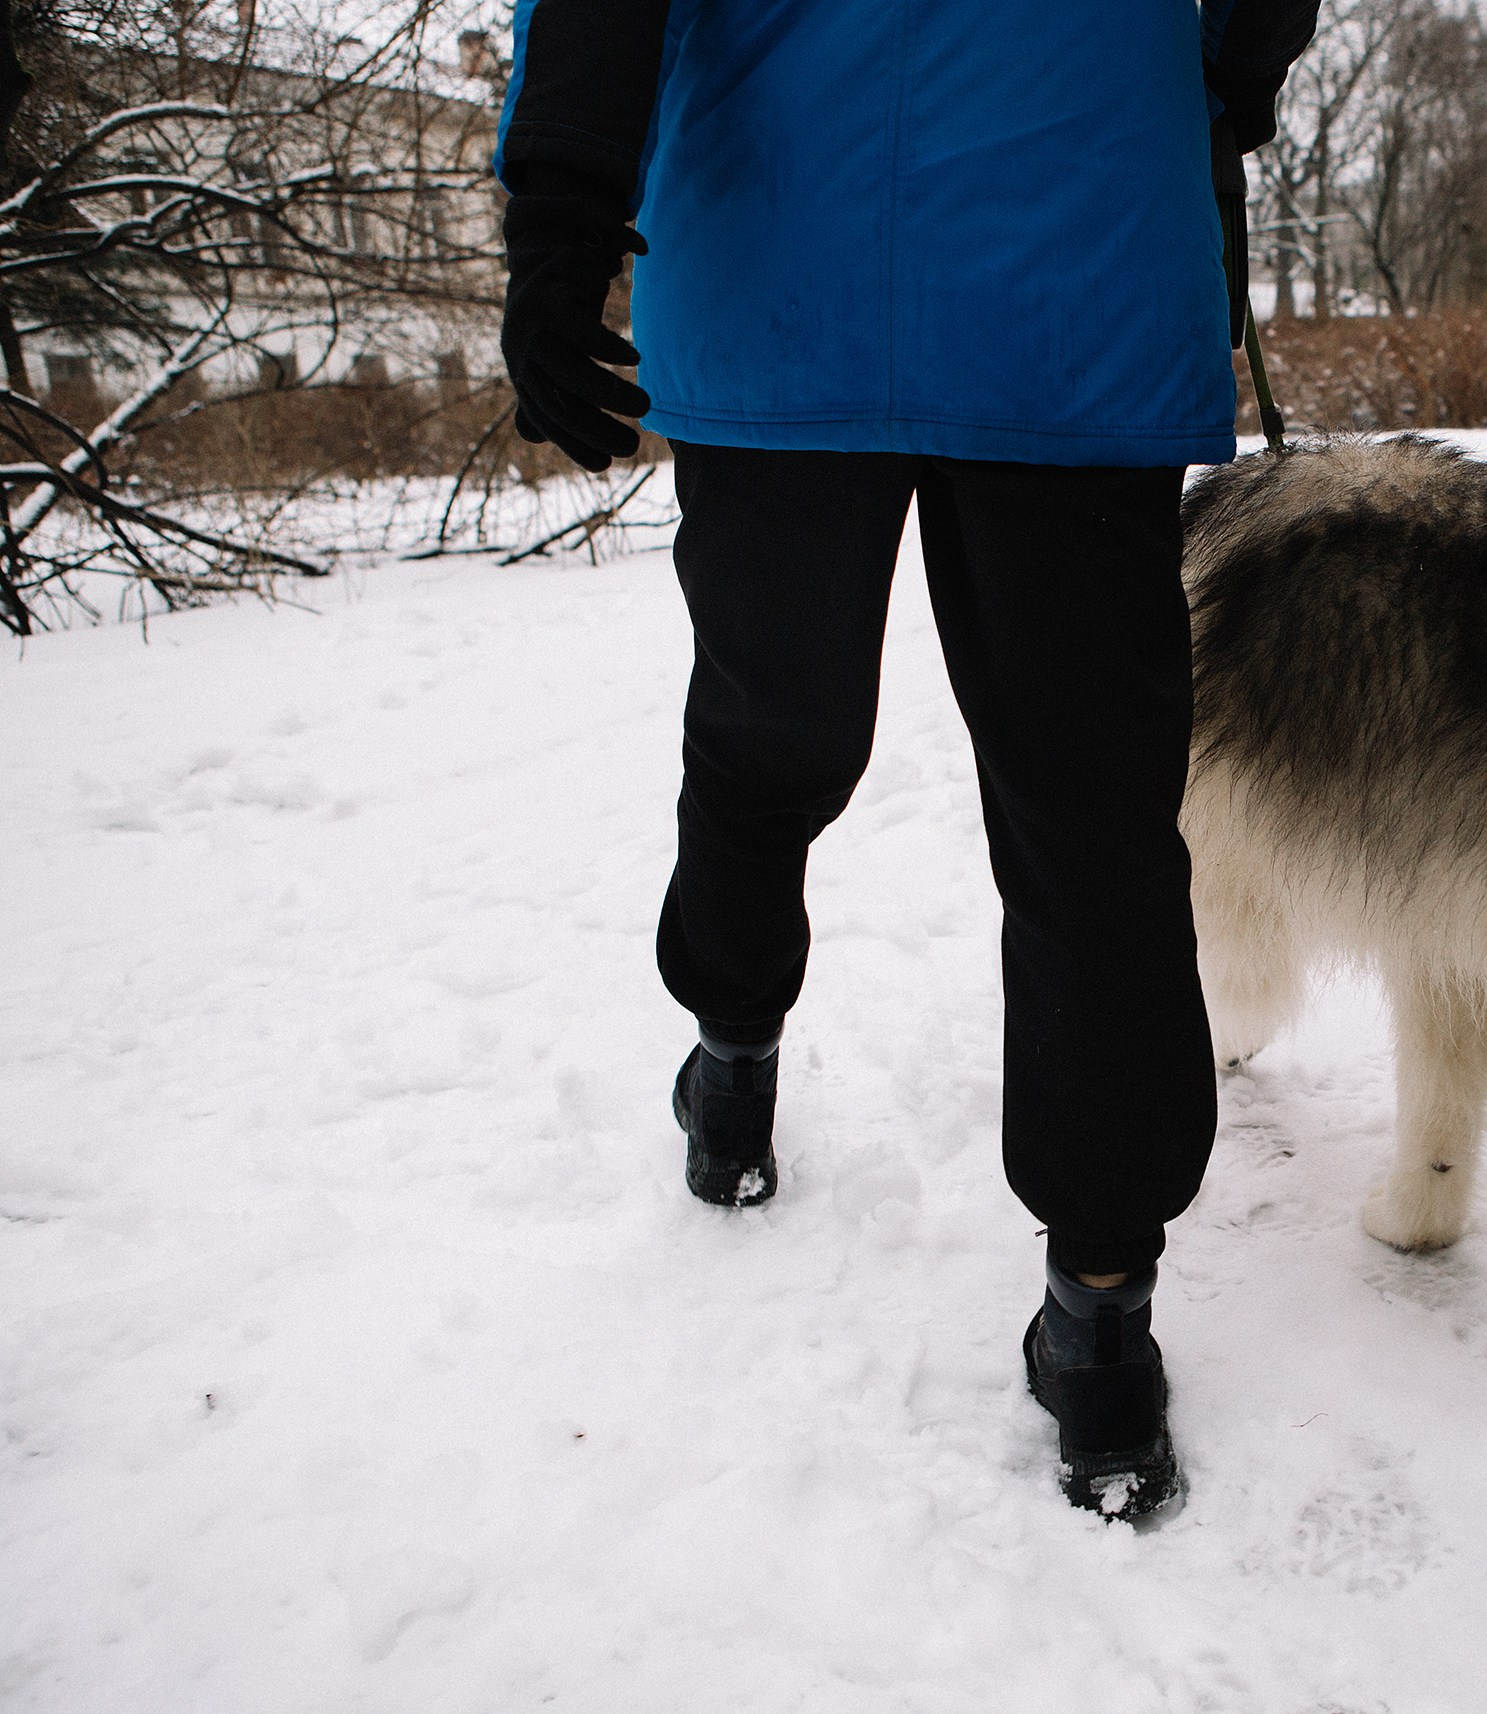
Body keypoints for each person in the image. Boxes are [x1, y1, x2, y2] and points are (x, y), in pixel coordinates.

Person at [493, 0, 1320, 1519]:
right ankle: (1100, 1314)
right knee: (1092, 821)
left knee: (771, 730)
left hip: (780, 250)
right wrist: (1207, 90)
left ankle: (732, 1057)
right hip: (1075, 239)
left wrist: (559, 215)